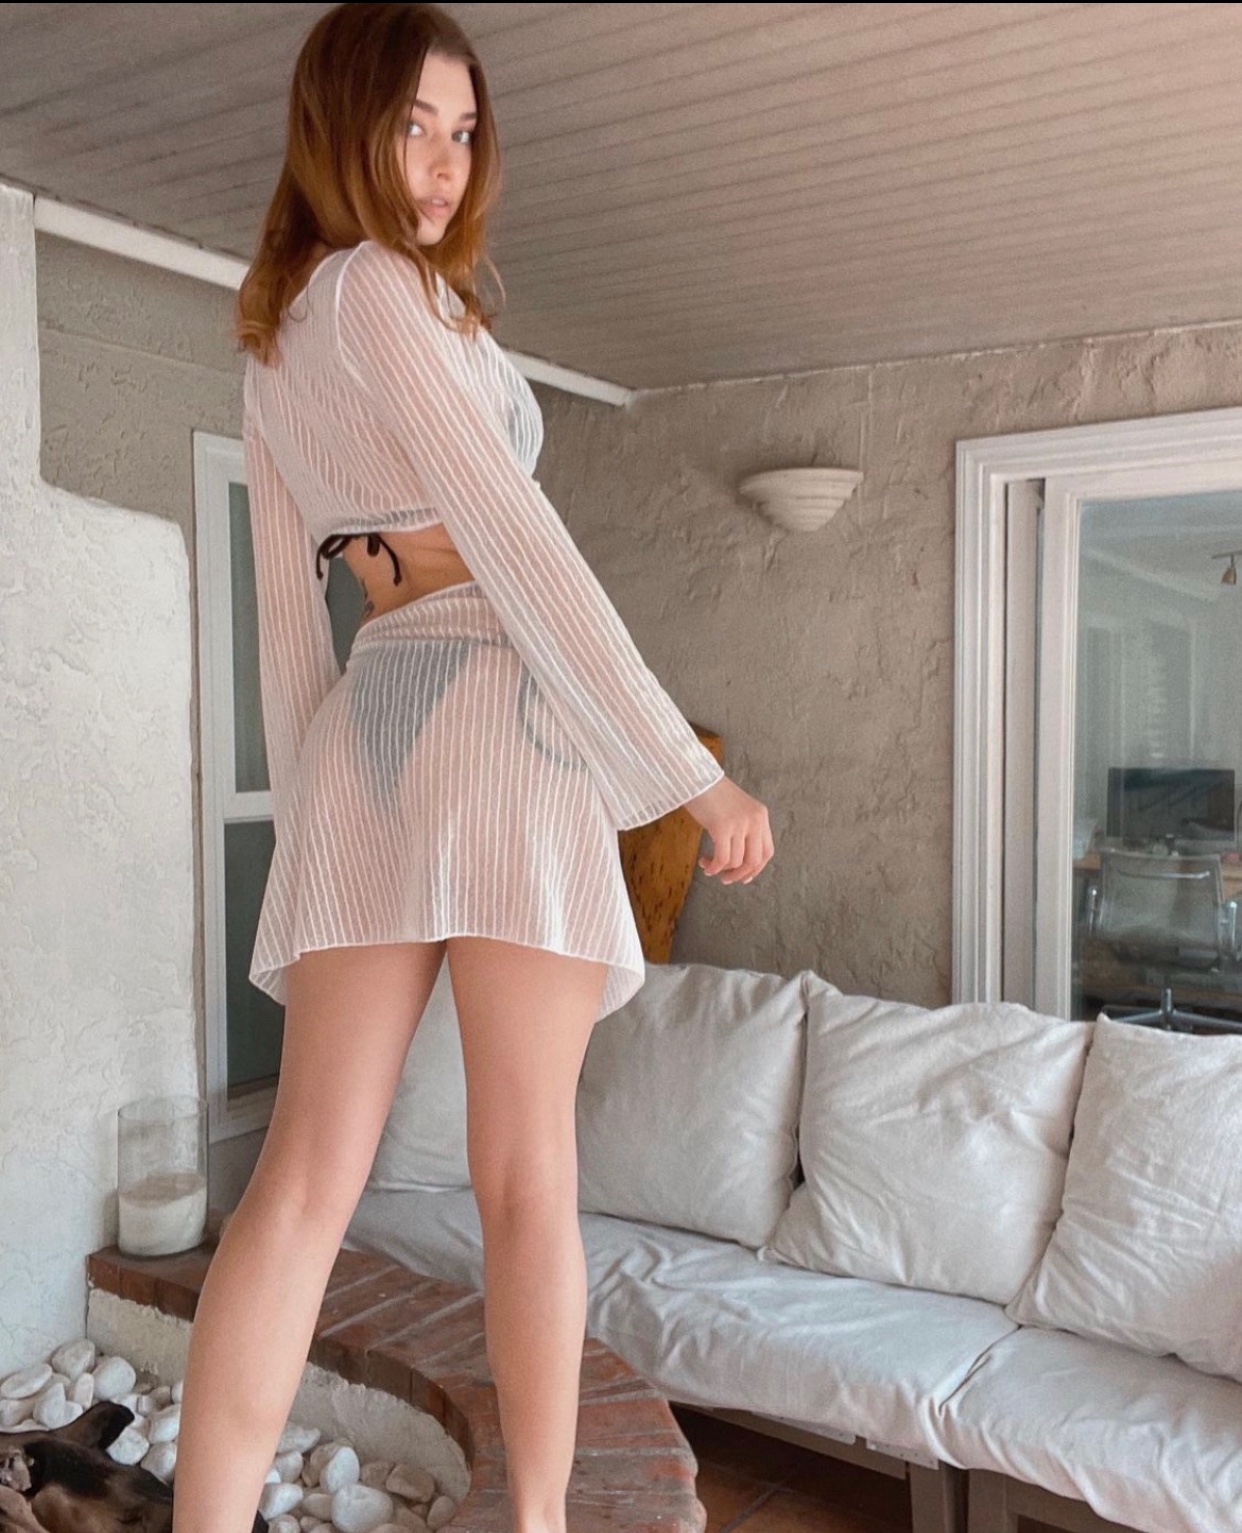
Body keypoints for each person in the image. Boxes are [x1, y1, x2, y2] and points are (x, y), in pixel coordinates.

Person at [171, 7, 774, 1533]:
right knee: (525, 1177)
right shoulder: (382, 289)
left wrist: (319, 809)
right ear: (342, 128)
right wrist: (685, 775)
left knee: (298, 1185)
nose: (442, 165)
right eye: (411, 128)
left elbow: (284, 620)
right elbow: (519, 545)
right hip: (501, 706)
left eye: (461, 131)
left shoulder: (277, 329)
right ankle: (538, 1522)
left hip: (373, 719)